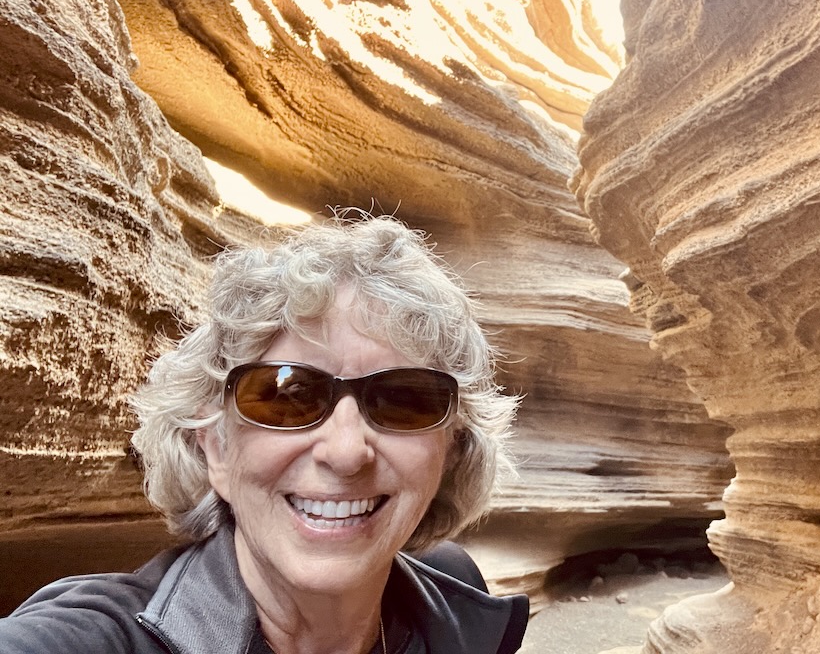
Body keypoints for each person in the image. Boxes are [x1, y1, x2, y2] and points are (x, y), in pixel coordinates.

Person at [0, 215, 528, 653]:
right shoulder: (90, 639)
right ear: (214, 445)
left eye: (404, 401)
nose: (346, 452)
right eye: (287, 396)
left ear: (453, 448)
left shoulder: (453, 595)